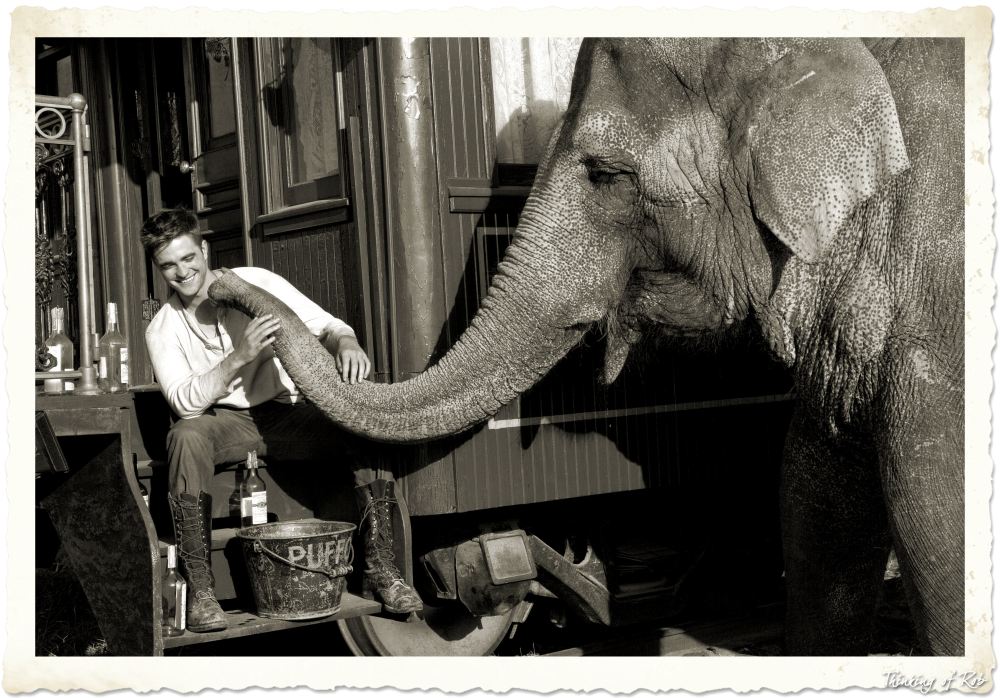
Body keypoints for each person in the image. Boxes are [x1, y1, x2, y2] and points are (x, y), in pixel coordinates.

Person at [140, 207, 422, 632]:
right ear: (158, 268)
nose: (182, 272)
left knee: (360, 421)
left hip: (285, 414)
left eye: (188, 257)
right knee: (185, 435)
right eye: (168, 265)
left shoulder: (256, 282)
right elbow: (184, 403)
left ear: (204, 249)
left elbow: (327, 326)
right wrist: (238, 357)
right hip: (227, 422)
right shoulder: (163, 328)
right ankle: (200, 591)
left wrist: (347, 342)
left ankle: (382, 570)